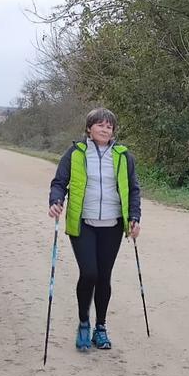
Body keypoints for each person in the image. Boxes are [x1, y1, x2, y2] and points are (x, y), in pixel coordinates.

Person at [48, 107, 142, 352]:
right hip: (84, 223)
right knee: (89, 273)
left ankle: (100, 327)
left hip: (112, 225)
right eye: (100, 125)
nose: (105, 129)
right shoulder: (75, 153)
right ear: (89, 129)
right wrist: (56, 201)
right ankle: (83, 323)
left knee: (104, 277)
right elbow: (59, 182)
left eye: (109, 126)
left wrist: (134, 216)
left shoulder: (123, 156)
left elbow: (133, 189)